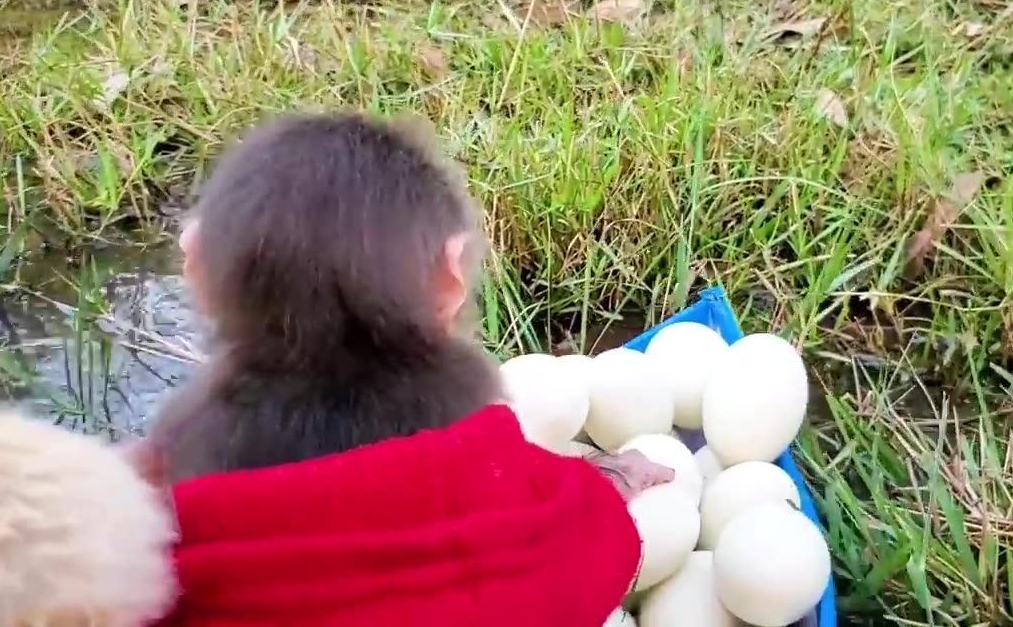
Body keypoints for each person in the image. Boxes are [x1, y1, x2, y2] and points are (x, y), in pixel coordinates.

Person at [124, 112, 671, 627]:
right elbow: (591, 545)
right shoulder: (525, 517)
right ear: (450, 277)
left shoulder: (146, 559)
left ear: (194, 264)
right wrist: (612, 479)